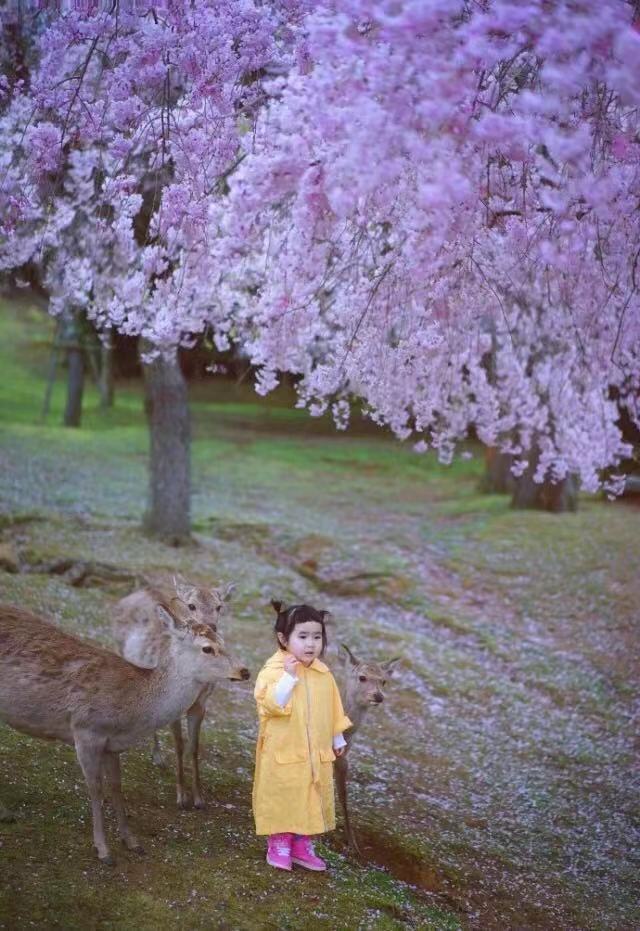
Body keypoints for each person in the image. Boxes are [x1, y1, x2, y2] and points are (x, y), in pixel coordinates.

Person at [252, 600, 352, 871]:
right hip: (285, 752)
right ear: (283, 639)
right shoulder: (274, 671)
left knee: (311, 794)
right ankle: (280, 840)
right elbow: (271, 704)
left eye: (317, 637)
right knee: (284, 793)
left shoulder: (323, 674)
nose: (311, 644)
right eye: (303, 636)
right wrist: (289, 677)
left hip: (315, 752)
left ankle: (301, 842)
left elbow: (333, 708)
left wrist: (337, 737)